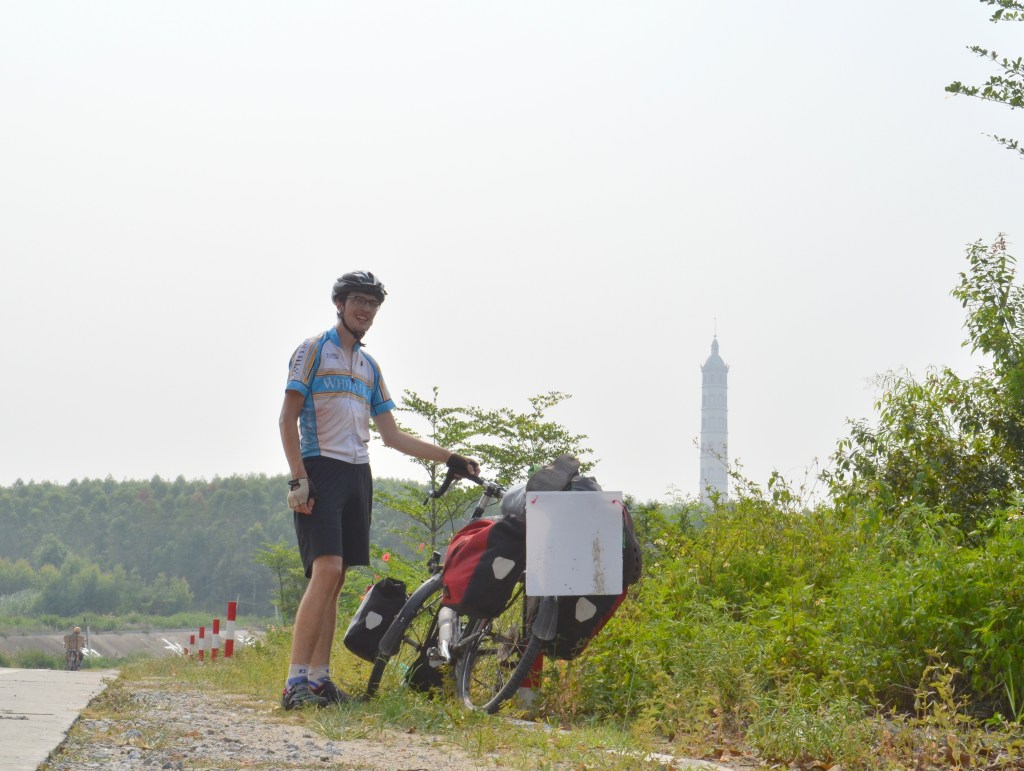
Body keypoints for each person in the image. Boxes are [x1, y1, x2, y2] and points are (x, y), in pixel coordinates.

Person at [278, 270, 481, 710]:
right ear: (340, 304)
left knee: (334, 580)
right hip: (319, 466)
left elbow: (392, 435)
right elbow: (286, 417)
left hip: (357, 472)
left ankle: (318, 680)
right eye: (357, 301)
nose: (364, 310)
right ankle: (294, 681)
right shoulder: (313, 351)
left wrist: (450, 458)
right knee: (325, 571)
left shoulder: (369, 367)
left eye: (371, 304)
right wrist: (298, 476)